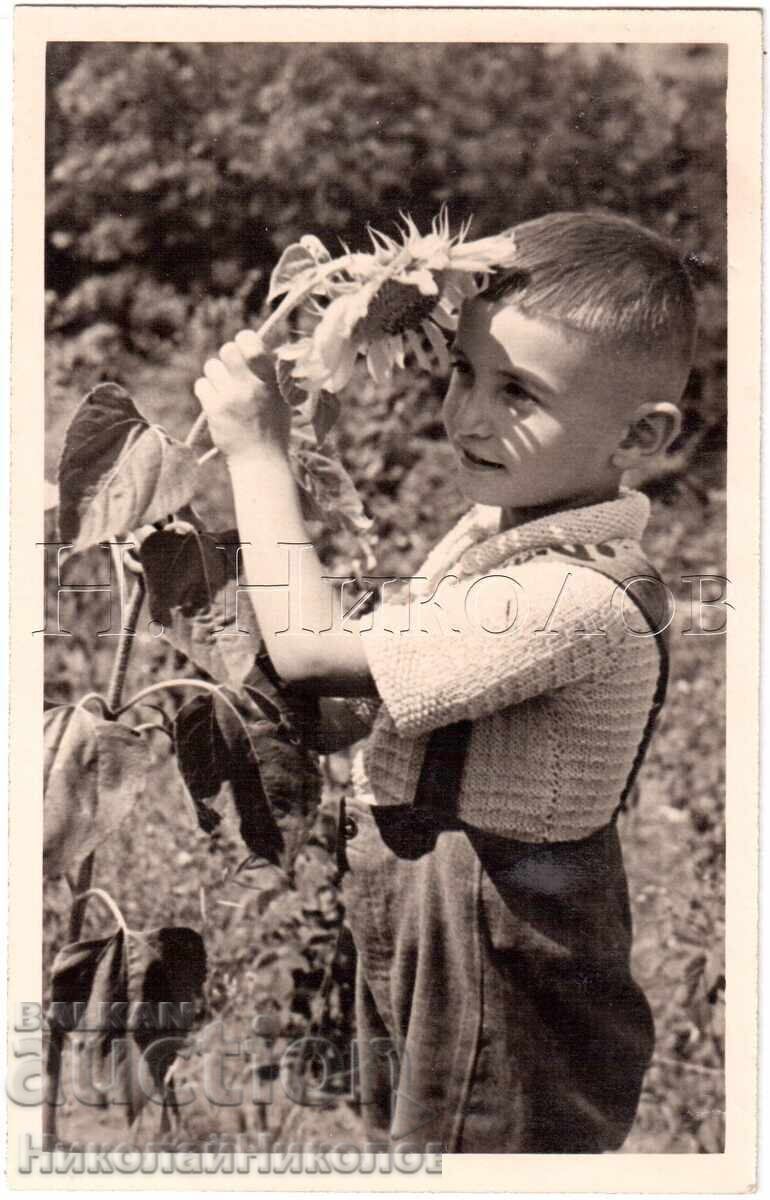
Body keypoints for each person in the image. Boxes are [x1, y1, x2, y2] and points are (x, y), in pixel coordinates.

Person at [193, 211, 697, 1153]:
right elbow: (373, 685)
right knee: (424, 1137)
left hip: (499, 931)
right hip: (430, 906)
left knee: (478, 1148)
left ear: (643, 434)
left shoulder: (574, 592)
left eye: (520, 393)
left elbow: (310, 649)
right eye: (465, 370)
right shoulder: (498, 532)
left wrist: (254, 454)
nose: (469, 414)